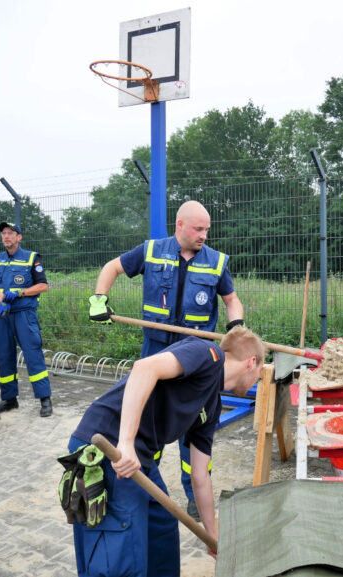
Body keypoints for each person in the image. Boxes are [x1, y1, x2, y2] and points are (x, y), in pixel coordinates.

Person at [88, 200, 245, 520]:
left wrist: (236, 327)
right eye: (199, 229)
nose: (204, 235)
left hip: (198, 362)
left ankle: (193, 495)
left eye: (207, 229)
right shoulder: (151, 251)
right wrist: (99, 298)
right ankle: (146, 484)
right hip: (155, 355)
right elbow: (112, 267)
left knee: (196, 430)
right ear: (180, 226)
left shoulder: (216, 262)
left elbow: (231, 300)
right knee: (149, 422)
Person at [65, 326, 264, 577]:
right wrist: (125, 442)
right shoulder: (208, 353)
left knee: (162, 528)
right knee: (121, 551)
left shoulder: (211, 406)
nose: (257, 380)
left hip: (140, 459)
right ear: (251, 362)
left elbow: (200, 476)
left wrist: (212, 536)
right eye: (259, 374)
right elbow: (144, 368)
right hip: (108, 447)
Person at [0, 221, 52, 417]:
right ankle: (9, 399)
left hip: (24, 315)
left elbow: (42, 286)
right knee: (3, 357)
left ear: (19, 237)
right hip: (1, 315)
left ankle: (45, 399)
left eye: (10, 233)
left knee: (33, 355)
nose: (6, 236)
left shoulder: (31, 258)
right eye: (4, 233)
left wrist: (20, 293)